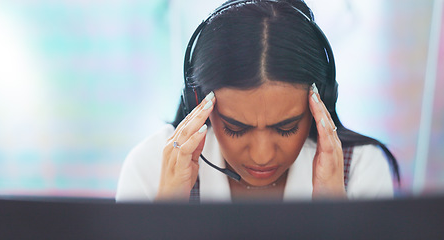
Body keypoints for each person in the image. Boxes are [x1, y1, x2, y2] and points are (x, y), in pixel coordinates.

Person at [116, 0, 400, 203]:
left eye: (286, 127)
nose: (262, 156)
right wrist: (166, 216)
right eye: (236, 128)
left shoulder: (361, 169)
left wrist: (333, 215)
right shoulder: (149, 168)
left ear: (320, 103)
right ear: (198, 103)